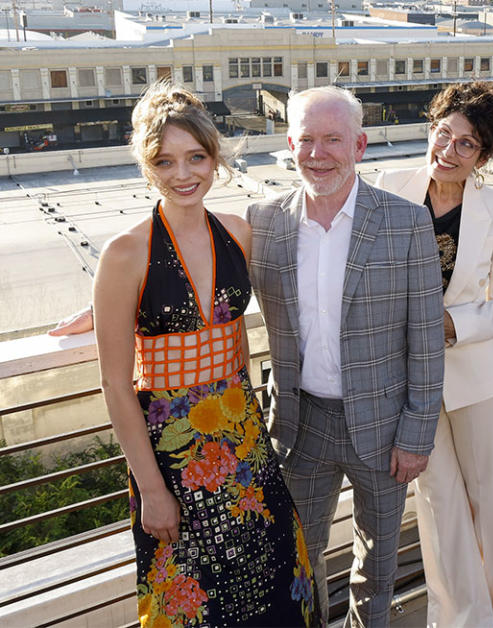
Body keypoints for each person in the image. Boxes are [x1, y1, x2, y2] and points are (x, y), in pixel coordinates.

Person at [93, 81, 318, 627]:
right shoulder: (124, 254)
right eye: (165, 161)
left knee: (275, 582)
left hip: (243, 440)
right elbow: (116, 385)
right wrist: (150, 488)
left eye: (196, 156)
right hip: (171, 457)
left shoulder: (238, 233)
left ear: (215, 156)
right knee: (195, 603)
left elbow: (233, 334)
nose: (183, 174)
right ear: (147, 166)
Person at [245, 86, 445, 627]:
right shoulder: (263, 222)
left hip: (385, 432)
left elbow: (426, 339)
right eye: (306, 139)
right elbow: (196, 267)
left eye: (333, 139)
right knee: (297, 561)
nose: (318, 153)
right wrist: (111, 302)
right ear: (289, 143)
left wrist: (416, 435)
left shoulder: (406, 223)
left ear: (358, 145)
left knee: (377, 565)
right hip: (300, 424)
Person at [374, 82, 493, 627]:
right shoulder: (388, 188)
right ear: (431, 128)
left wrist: (452, 324)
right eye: (445, 134)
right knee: (437, 506)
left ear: (484, 156)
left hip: (477, 378)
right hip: (406, 381)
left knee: (490, 501)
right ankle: (461, 619)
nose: (449, 150)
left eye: (468, 145)